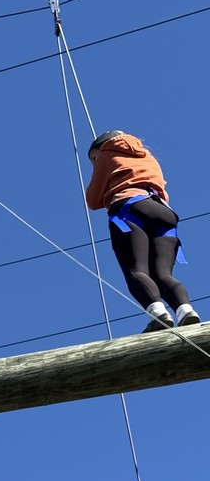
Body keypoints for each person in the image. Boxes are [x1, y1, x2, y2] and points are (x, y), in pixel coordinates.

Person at [86, 130, 200, 333]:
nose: (94, 163)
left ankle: (159, 314)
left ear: (100, 147)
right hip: (163, 212)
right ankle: (186, 310)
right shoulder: (147, 156)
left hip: (129, 209)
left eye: (92, 159)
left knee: (136, 270)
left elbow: (93, 200)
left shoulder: (105, 154)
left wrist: (101, 170)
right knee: (163, 273)